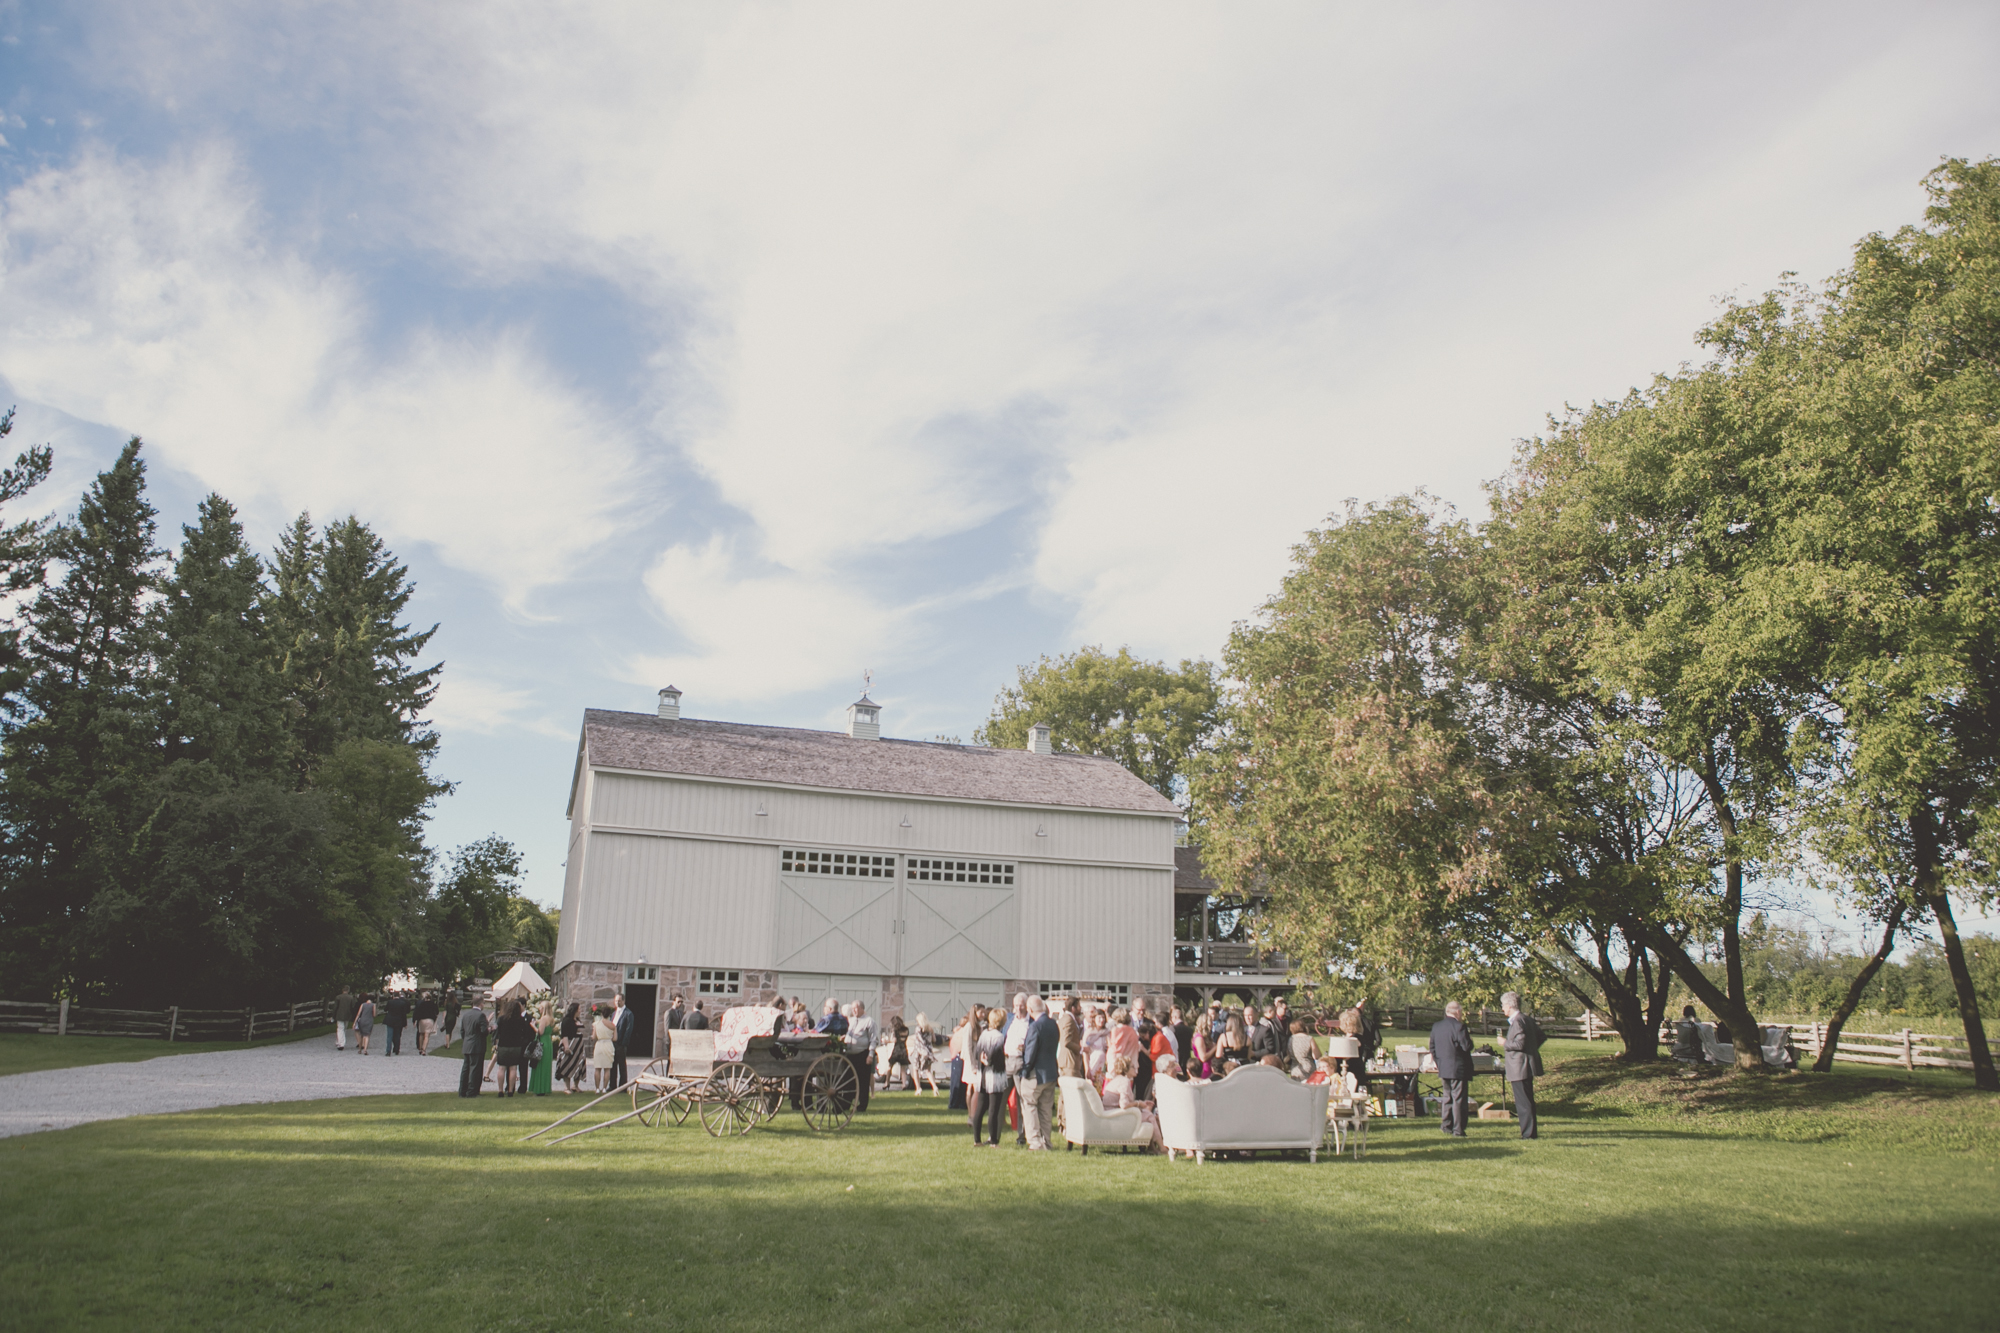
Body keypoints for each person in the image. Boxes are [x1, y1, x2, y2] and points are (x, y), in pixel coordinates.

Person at [1500, 991, 1545, 1139]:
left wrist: (1505, 1043)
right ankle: (1530, 1132)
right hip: (1526, 1065)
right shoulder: (1527, 1019)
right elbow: (1541, 1036)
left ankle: (1528, 1133)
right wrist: (1531, 1050)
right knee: (1527, 1100)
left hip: (1519, 1066)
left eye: (1503, 1005)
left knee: (1523, 1102)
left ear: (1509, 1005)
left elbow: (1520, 1043)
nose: (1502, 1009)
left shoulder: (1518, 1021)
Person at [1018, 995, 1061, 1150]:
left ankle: (1035, 1141)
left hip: (1035, 1073)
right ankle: (1047, 1141)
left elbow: (1030, 1053)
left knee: (1029, 1106)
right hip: (1050, 1072)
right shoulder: (1053, 1024)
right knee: (1045, 1109)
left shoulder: (1035, 1027)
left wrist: (1025, 1070)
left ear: (1029, 1010)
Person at [1429, 1001, 1475, 1137]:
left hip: (1444, 1067)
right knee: (1458, 1099)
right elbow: (1466, 1046)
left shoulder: (1437, 1026)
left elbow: (1432, 1047)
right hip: (1458, 1068)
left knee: (1447, 1097)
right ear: (1458, 1012)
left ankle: (1446, 1125)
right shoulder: (1459, 1027)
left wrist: (1439, 1062)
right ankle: (1458, 1129)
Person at [1100, 1056, 1161, 1150]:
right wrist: (1138, 1104)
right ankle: (1162, 1148)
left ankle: (1151, 1147)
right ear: (1126, 1069)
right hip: (1117, 1116)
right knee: (1149, 1116)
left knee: (1147, 1113)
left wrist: (1141, 1103)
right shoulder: (1124, 1081)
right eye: (1132, 1066)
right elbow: (1124, 1105)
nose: (1136, 1068)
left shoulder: (1116, 1080)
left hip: (1110, 1112)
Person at [972, 1007, 1008, 1147]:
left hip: (982, 1075)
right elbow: (995, 1055)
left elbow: (977, 1052)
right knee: (994, 1109)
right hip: (995, 1075)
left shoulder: (984, 1034)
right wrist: (989, 1061)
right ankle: (993, 1140)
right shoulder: (999, 1036)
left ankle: (977, 1140)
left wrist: (983, 1061)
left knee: (980, 1108)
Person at [1003, 993, 1031, 1144]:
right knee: (1000, 1097)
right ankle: (994, 1135)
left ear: (1026, 1006)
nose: (1018, 1008)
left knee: (1022, 1100)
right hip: (1007, 1061)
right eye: (1016, 1005)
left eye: (1021, 1005)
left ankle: (1023, 1135)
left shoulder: (1030, 1023)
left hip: (1021, 1062)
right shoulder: (1009, 1019)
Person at [492, 999, 533, 1096]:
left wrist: (495, 1044)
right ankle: (510, 1090)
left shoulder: (501, 1019)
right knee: (513, 1068)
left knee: (501, 1068)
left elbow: (496, 1032)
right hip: (516, 1046)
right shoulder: (520, 1020)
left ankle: (500, 1090)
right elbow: (524, 1032)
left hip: (503, 1045)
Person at [846, 1001, 877, 1112]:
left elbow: (873, 1039)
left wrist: (870, 1055)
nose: (854, 1010)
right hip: (850, 1054)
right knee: (849, 1080)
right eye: (853, 1008)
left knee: (863, 1081)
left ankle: (862, 1105)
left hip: (862, 1054)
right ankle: (846, 1103)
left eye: (856, 1008)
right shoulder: (851, 1021)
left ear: (862, 1009)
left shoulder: (869, 1021)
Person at [456, 998, 491, 1098]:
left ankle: (462, 1090)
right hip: (477, 1045)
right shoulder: (481, 1015)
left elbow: (462, 1031)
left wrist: (466, 1040)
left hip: (467, 1044)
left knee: (465, 1069)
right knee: (475, 1069)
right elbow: (483, 1031)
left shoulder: (466, 1015)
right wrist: (490, 1028)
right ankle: (472, 1091)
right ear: (481, 1004)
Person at [557, 1002, 588, 1093]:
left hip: (579, 1046)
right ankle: (567, 1087)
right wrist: (566, 1047)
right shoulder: (566, 1020)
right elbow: (564, 1035)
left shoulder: (577, 1020)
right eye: (579, 1009)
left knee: (579, 1064)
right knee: (568, 1064)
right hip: (570, 1044)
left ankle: (575, 1086)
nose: (580, 1011)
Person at [587, 1005, 618, 1092]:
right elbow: (615, 1038)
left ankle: (597, 1088)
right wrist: (609, 1037)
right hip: (608, 1044)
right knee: (607, 1069)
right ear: (609, 1015)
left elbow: (594, 1037)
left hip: (599, 1045)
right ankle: (604, 1088)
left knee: (597, 1068)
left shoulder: (596, 1024)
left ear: (601, 1014)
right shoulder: (613, 1025)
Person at [529, 1001, 556, 1096]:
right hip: (548, 1042)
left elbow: (540, 1032)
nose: (539, 1009)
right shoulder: (551, 1018)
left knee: (539, 1065)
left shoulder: (544, 1018)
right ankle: (545, 1087)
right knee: (546, 1066)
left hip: (542, 1042)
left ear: (544, 1009)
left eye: (540, 1007)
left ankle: (539, 1089)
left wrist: (533, 1026)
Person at [1056, 997, 1084, 1080]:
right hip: (1070, 1062)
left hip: (1066, 1062)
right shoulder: (1068, 1020)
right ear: (1073, 1008)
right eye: (1079, 1006)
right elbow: (1066, 1041)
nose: (1081, 1008)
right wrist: (1080, 1048)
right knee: (1072, 1090)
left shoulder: (1065, 1018)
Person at [1082, 1006, 1110, 1082]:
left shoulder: (1106, 1032)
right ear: (1094, 1019)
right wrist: (1087, 1068)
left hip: (1103, 1063)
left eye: (1103, 1018)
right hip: (1093, 1061)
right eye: (1099, 1018)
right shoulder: (1089, 1033)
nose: (1102, 1020)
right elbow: (1085, 1052)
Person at [612, 993, 633, 1089]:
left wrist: (623, 1043)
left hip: (621, 1044)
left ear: (623, 1001)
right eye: (616, 1000)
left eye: (619, 1000)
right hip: (613, 1043)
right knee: (612, 1065)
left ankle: (623, 1087)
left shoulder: (628, 1014)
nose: (617, 1002)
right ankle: (612, 1085)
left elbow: (628, 1029)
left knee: (622, 1066)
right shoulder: (614, 1013)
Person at [383, 990, 410, 1056]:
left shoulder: (390, 1002)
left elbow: (385, 1009)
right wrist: (405, 1023)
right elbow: (404, 1014)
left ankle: (388, 1051)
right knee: (397, 1035)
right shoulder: (402, 1003)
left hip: (390, 1020)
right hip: (399, 1021)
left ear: (393, 996)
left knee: (389, 1036)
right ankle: (397, 1049)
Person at [413, 991, 439, 1056]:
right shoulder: (433, 1004)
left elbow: (417, 1012)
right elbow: (437, 1012)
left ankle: (420, 1048)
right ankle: (424, 1050)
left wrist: (415, 1020)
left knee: (421, 1034)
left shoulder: (422, 1004)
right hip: (429, 1020)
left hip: (422, 1020)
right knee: (426, 1035)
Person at [333, 987, 357, 1051]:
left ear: (342, 990)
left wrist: (333, 1016)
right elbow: (352, 1007)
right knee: (344, 1028)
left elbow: (335, 1007)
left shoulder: (338, 997)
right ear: (348, 990)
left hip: (339, 1015)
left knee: (340, 1028)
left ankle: (341, 1043)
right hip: (347, 1015)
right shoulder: (351, 998)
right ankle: (340, 1042)